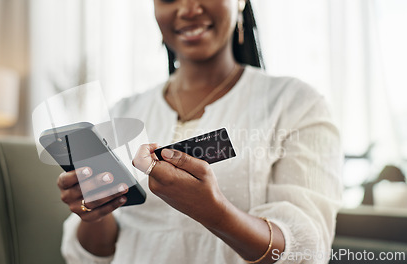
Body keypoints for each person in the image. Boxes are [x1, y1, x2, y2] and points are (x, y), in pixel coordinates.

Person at [57, 0, 342, 263]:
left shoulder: (295, 104)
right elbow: (93, 256)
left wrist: (216, 213)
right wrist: (94, 214)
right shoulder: (123, 112)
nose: (188, 9)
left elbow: (308, 250)